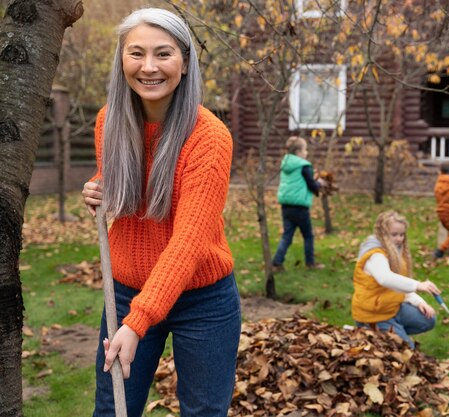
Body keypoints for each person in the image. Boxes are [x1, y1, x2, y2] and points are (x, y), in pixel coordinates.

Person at [81, 8, 240, 417]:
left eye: (163, 54)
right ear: (121, 60)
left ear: (185, 62)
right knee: (113, 410)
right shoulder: (108, 122)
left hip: (203, 300)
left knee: (203, 412)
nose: (148, 67)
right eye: (136, 53)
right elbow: (125, 185)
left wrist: (139, 322)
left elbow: (188, 241)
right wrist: (100, 190)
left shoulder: (209, 137)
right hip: (125, 290)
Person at [351, 210, 440, 348]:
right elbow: (385, 279)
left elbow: (398, 284)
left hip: (391, 307)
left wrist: (419, 302)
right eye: (394, 235)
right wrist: (418, 285)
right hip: (375, 314)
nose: (399, 239)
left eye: (402, 234)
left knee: (428, 319)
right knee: (407, 350)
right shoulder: (375, 254)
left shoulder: (395, 251)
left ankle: (391, 335)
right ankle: (372, 332)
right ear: (382, 234)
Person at [272, 136, 326, 271]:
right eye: (305, 150)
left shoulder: (285, 164)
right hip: (300, 207)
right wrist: (320, 183)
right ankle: (310, 263)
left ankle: (276, 263)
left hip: (286, 206)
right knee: (308, 235)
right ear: (298, 152)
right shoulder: (304, 166)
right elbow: (312, 185)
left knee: (287, 236)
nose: (306, 153)